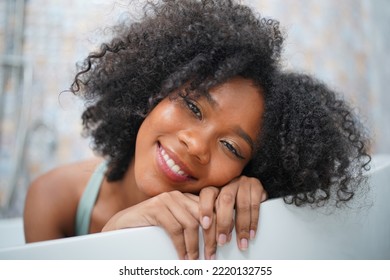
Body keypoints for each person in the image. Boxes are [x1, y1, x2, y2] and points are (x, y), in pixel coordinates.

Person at [23, 0, 371, 260]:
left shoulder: (221, 221)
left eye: (232, 148)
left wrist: (259, 199)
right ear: (154, 92)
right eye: (192, 107)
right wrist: (109, 245)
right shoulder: (53, 198)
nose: (196, 145)